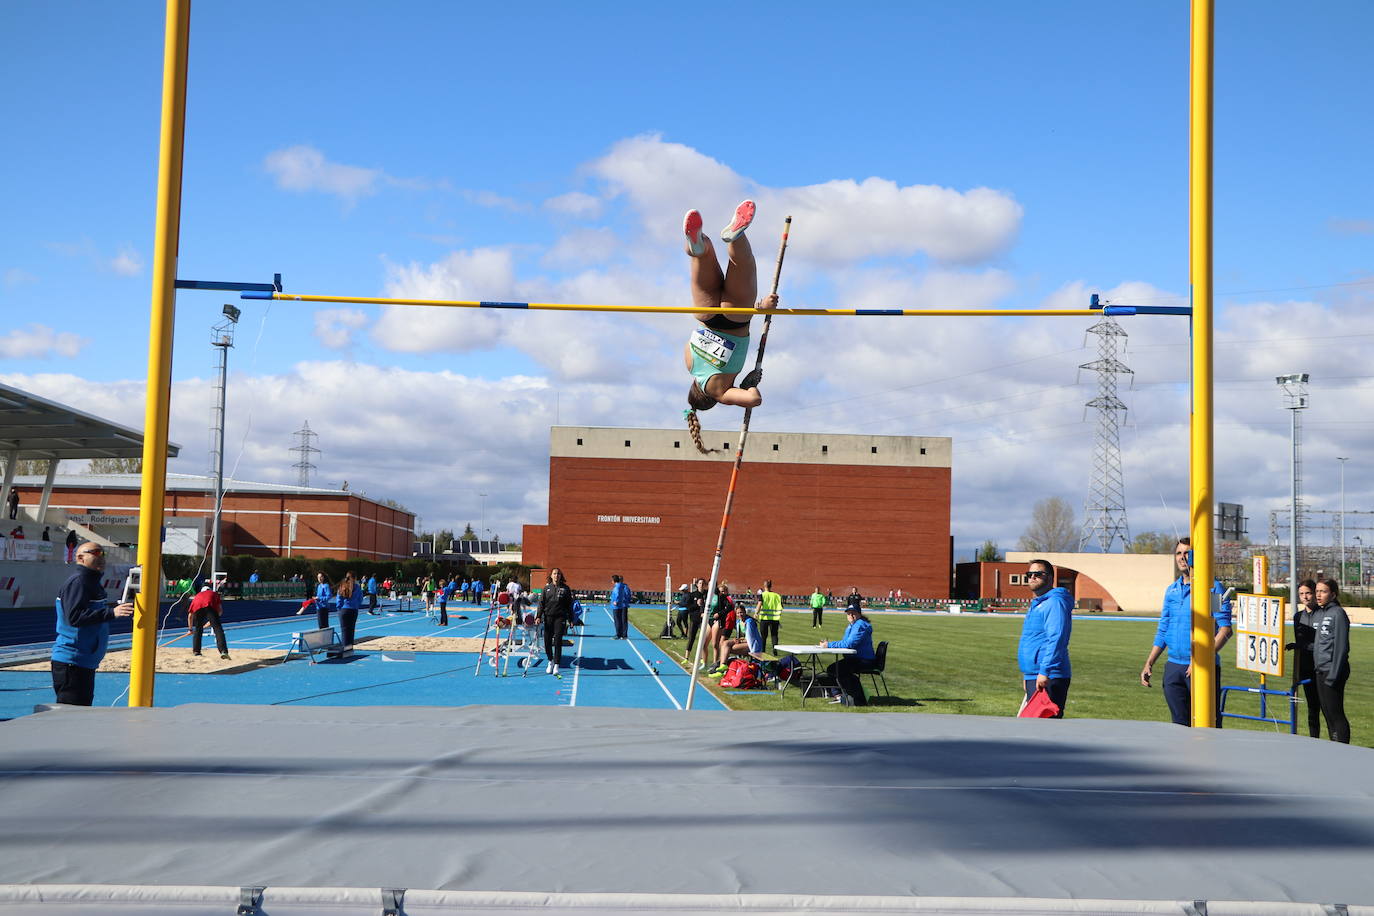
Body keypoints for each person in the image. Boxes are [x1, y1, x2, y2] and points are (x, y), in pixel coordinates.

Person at [680, 200, 780, 454]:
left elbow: (754, 399)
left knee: (743, 263)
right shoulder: (689, 364)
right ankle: (698, 245)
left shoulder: (722, 393)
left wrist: (748, 384)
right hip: (705, 315)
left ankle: (736, 237)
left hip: (737, 318)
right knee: (703, 258)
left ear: (710, 401)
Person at [1139, 537, 1233, 726]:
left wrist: (1201, 659)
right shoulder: (1171, 591)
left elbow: (1224, 629)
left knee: (1208, 725)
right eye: (1178, 553)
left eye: (1187, 553)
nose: (1182, 557)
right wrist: (1149, 662)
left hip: (1202, 667)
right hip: (1174, 667)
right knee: (1179, 726)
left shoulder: (1212, 588)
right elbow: (1164, 628)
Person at [50, 542, 134, 705]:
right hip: (72, 661)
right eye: (96, 553)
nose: (101, 557)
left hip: (84, 660)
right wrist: (111, 613)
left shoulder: (92, 582)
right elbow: (74, 617)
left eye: (103, 554)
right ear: (80, 558)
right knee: (71, 716)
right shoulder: (79, 582)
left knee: (80, 712)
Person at [1016, 559, 1072, 718]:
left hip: (1050, 676)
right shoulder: (1038, 603)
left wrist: (1044, 671)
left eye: (1038, 574)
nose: (1032, 577)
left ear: (1049, 577)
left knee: (1045, 731)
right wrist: (1028, 675)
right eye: (1029, 574)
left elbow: (1057, 638)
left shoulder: (1054, 602)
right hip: (1035, 674)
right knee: (1033, 731)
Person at [1310, 577, 1351, 744]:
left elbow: (1341, 647)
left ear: (1333, 594)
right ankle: (1332, 746)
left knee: (1336, 714)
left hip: (1332, 672)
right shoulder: (1323, 613)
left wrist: (1333, 674)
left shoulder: (1338, 613)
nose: (1319, 595)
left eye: (1323, 591)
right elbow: (1321, 644)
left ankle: (1343, 749)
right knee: (1327, 713)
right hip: (1320, 670)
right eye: (1317, 591)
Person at [819, 603, 877, 706]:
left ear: (859, 614)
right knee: (835, 669)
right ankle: (843, 696)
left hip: (864, 660)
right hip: (857, 659)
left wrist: (829, 645)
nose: (850, 615)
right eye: (848, 613)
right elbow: (845, 642)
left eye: (853, 612)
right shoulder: (852, 625)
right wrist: (830, 645)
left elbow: (849, 644)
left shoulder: (860, 625)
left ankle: (850, 697)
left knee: (835, 669)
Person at [1289, 579, 1322, 738]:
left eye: (1308, 593)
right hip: (1305, 667)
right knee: (1312, 708)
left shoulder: (1324, 615)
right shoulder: (1297, 617)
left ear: (1315, 593)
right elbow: (1302, 642)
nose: (1305, 597)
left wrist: (1304, 646)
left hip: (1322, 668)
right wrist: (1295, 645)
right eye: (1301, 594)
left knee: (1327, 708)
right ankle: (1314, 740)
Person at [537, 568, 575, 676]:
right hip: (548, 618)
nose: (556, 575)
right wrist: (538, 616)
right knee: (547, 641)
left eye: (558, 574)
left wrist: (571, 619)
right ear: (551, 575)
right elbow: (541, 603)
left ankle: (557, 664)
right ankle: (551, 661)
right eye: (554, 574)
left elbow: (569, 605)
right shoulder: (546, 588)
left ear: (560, 576)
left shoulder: (565, 589)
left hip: (560, 618)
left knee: (558, 640)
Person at [710, 603, 765, 675]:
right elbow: (743, 636)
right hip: (746, 643)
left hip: (754, 645)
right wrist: (737, 639)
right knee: (725, 643)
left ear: (745, 612)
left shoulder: (749, 622)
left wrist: (739, 640)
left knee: (728, 648)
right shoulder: (738, 622)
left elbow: (751, 638)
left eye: (741, 612)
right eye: (738, 613)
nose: (740, 614)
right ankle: (722, 665)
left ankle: (722, 667)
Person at [187, 584, 229, 659]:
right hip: (210, 607)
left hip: (198, 609)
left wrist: (190, 629)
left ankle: (196, 651)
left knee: (198, 629)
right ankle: (223, 651)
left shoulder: (197, 596)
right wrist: (213, 621)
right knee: (218, 629)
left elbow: (190, 615)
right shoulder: (214, 594)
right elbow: (220, 611)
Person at [757, 579, 783, 652]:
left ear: (764, 586)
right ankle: (775, 650)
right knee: (774, 635)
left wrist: (756, 613)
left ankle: (763, 651)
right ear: (771, 586)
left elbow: (759, 604)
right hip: (775, 619)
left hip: (764, 618)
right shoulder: (777, 595)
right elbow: (780, 606)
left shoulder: (762, 595)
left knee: (763, 636)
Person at [336, 572, 361, 646]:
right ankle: (350, 647)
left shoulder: (342, 586)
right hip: (353, 610)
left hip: (344, 610)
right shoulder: (357, 587)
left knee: (344, 630)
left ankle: (345, 647)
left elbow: (339, 599)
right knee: (351, 629)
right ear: (355, 578)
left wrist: (339, 608)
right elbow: (360, 599)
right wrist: (355, 605)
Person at [609, 574, 632, 639]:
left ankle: (623, 634)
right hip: (621, 604)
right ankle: (621, 634)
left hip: (622, 605)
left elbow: (627, 595)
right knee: (620, 620)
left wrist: (624, 601)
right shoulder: (620, 586)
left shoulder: (624, 586)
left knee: (623, 620)